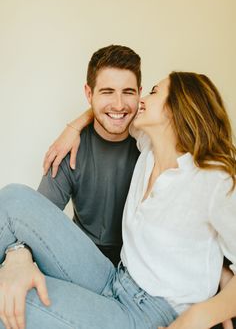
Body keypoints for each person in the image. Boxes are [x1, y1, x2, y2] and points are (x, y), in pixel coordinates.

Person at [0, 71, 236, 329]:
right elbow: (112, 111)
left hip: (147, 315)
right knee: (14, 198)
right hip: (114, 277)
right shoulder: (148, 145)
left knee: (10, 303)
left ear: (176, 108)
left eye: (154, 92)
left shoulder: (213, 179)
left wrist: (202, 315)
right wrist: (73, 128)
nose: (142, 99)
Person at [38, 44, 141, 266]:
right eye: (107, 92)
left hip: (136, 261)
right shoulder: (69, 148)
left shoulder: (151, 142)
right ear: (89, 93)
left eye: (128, 92)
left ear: (140, 93)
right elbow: (37, 216)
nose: (119, 104)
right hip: (81, 255)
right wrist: (19, 256)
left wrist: (75, 124)